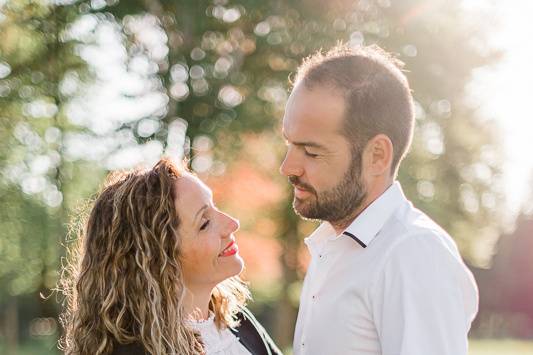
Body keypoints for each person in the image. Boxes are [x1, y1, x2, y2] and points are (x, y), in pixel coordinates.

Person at [280, 44, 478, 355]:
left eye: (311, 151)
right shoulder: (331, 247)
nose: (287, 167)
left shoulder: (411, 255)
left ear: (377, 156)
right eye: (289, 143)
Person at [58, 158, 281, 355]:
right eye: (204, 223)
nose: (232, 224)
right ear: (156, 261)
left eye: (215, 207)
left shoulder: (237, 322)